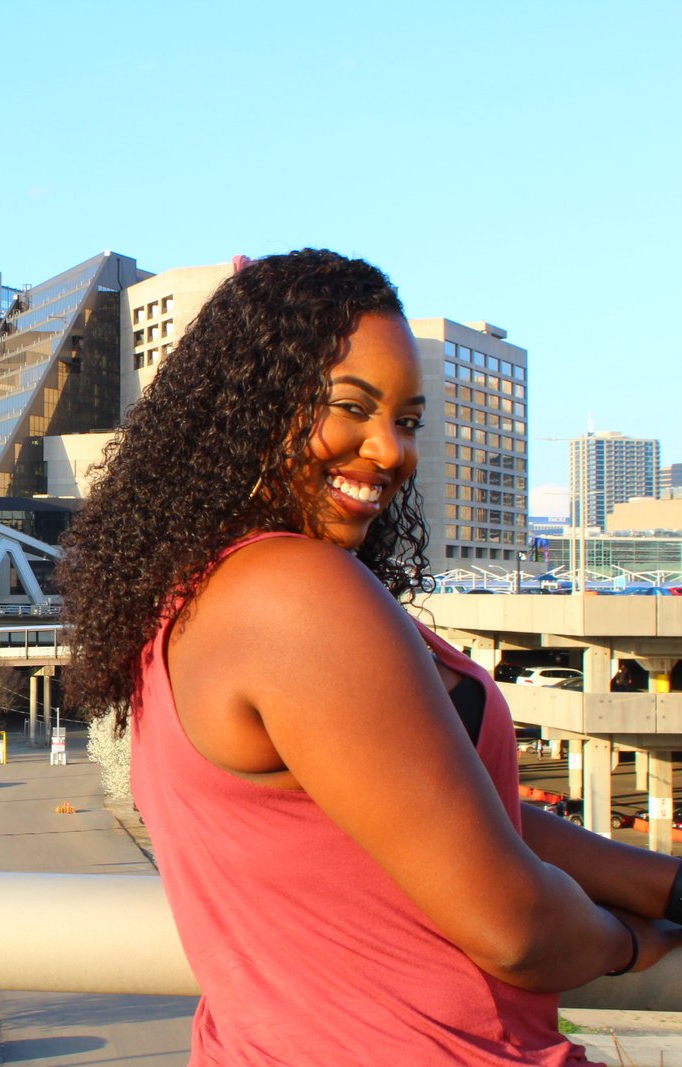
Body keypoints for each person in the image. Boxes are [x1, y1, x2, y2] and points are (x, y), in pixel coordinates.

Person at [57, 249, 682, 1064]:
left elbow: (439, 809)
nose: (390, 450)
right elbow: (517, 929)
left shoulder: (199, 593)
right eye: (350, 406)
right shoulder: (294, 595)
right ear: (253, 404)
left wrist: (662, 885)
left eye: (409, 419)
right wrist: (636, 946)